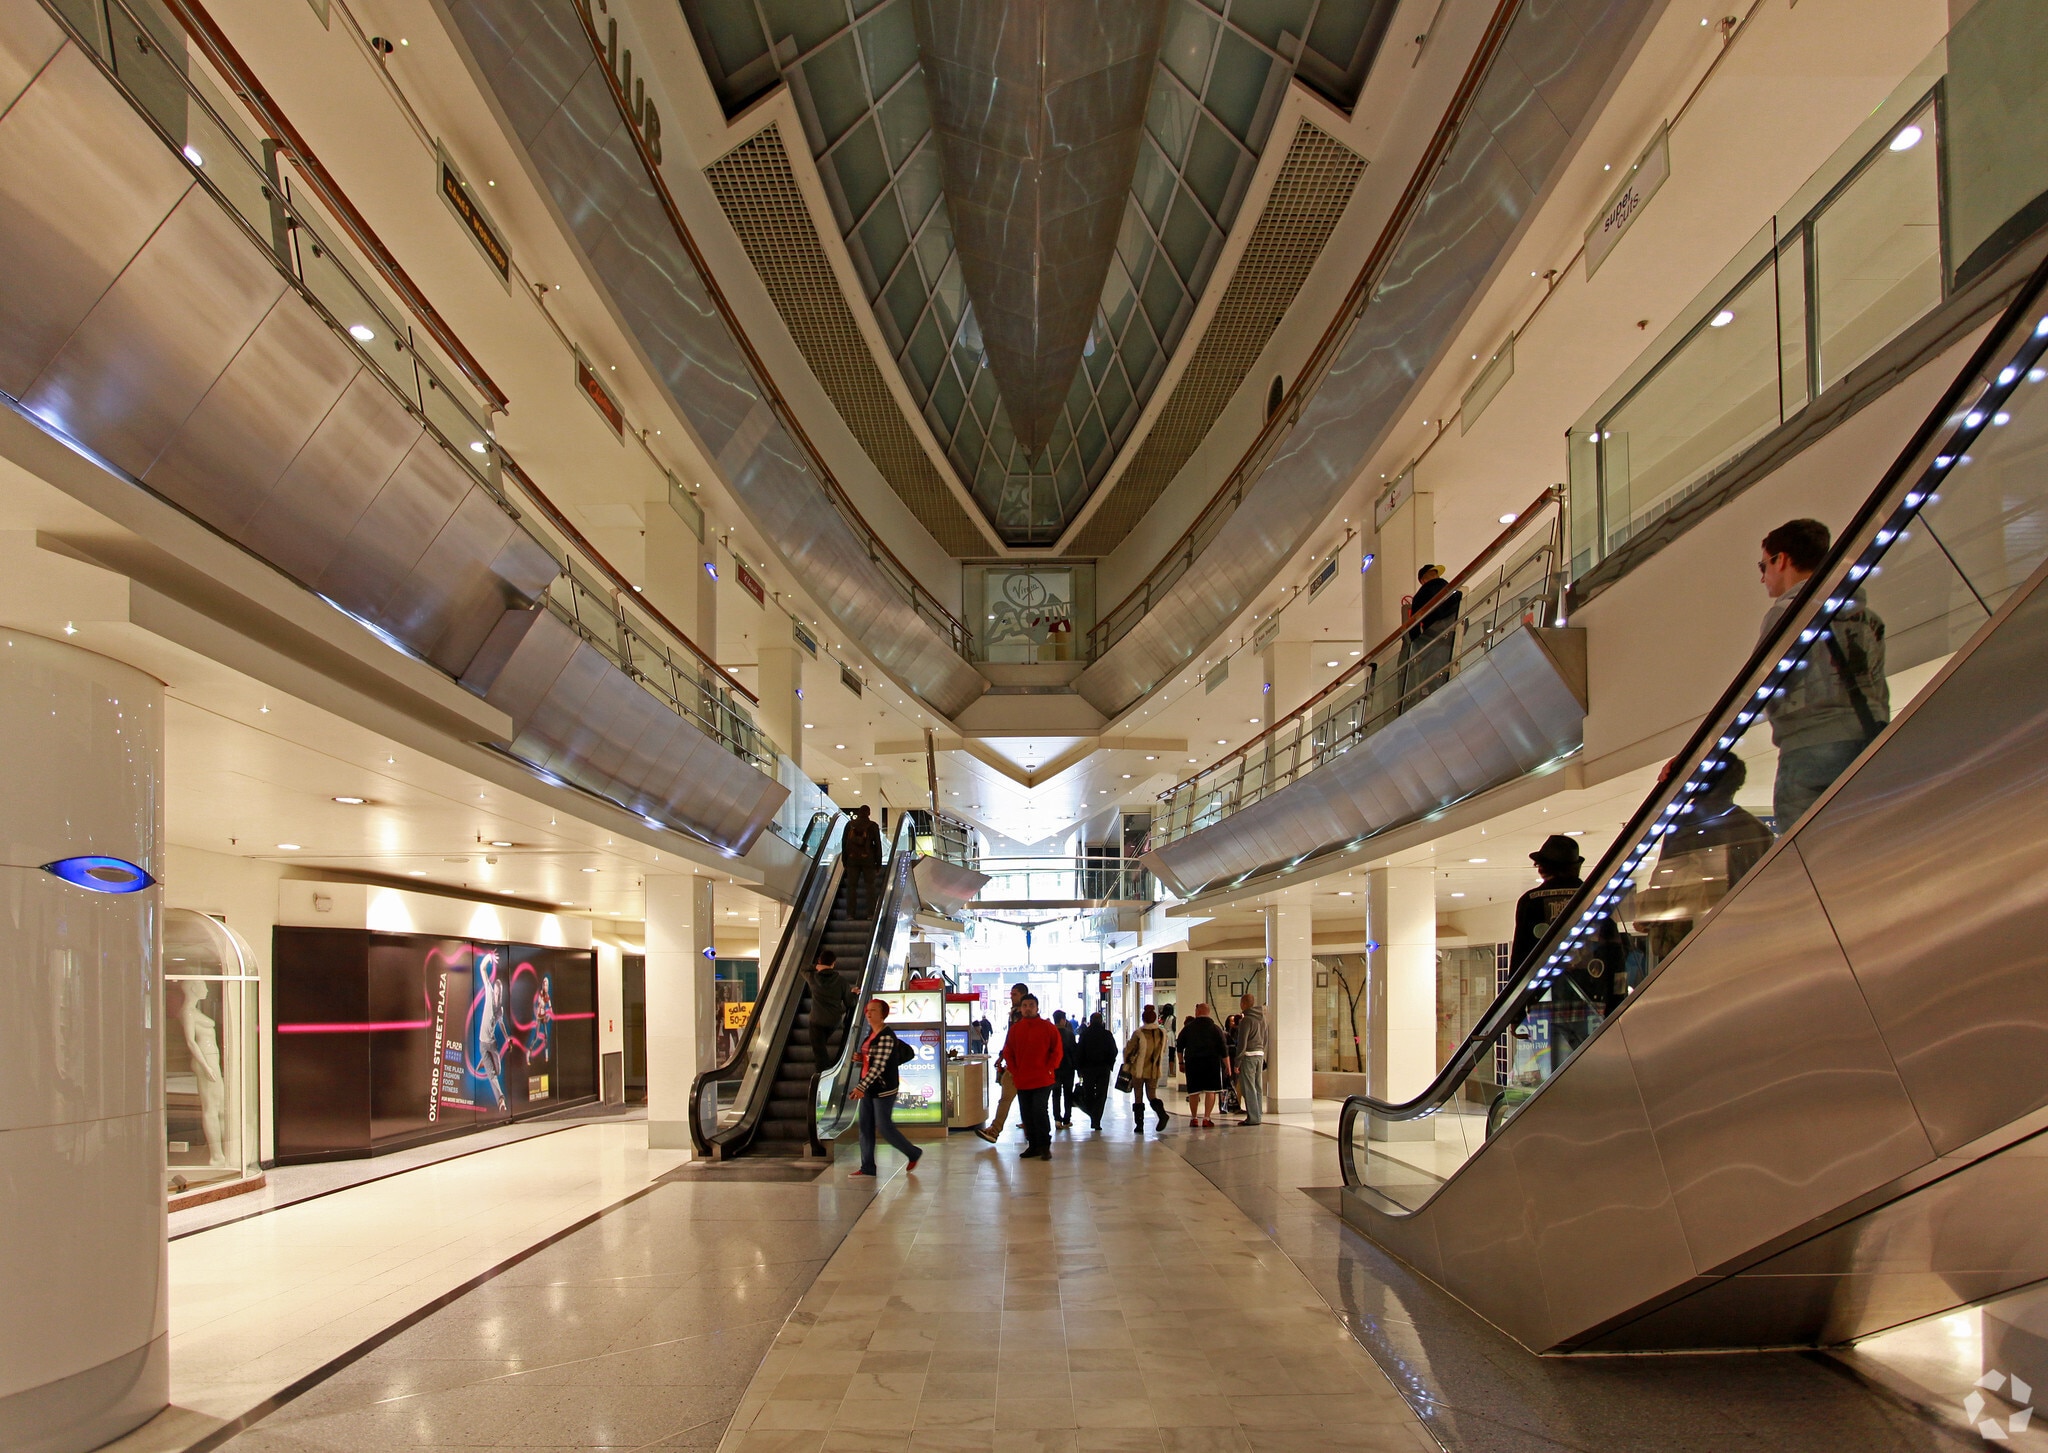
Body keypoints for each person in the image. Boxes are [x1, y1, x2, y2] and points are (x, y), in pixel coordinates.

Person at [1757, 518, 1889, 830]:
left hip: (1809, 748)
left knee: (1805, 847)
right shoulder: (1867, 617)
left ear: (1782, 559)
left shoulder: (1784, 614)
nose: (1763, 579)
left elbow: (1765, 686)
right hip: (1870, 740)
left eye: (1763, 566)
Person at [1512, 835, 1596, 1060]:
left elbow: (1521, 957)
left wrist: (1515, 1011)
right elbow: (1612, 949)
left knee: (1553, 1069)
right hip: (1593, 1001)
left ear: (1542, 868)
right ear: (1575, 867)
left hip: (1543, 1002)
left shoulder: (1530, 900)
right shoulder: (1595, 897)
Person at [848, 998, 920, 1178]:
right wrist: (860, 1058)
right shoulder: (871, 1035)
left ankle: (913, 1152)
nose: (868, 1013)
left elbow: (879, 1066)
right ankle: (867, 1167)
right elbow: (871, 1059)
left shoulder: (886, 1036)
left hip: (883, 1089)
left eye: (873, 1010)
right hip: (869, 1088)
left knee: (884, 1127)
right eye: (867, 1010)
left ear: (882, 1014)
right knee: (865, 1127)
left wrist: (860, 1087)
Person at [1003, 995, 1063, 1160]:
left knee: (1039, 1110)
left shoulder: (1048, 1028)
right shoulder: (1015, 1030)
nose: (1028, 1008)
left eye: (1031, 1005)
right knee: (1027, 1113)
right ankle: (1033, 1145)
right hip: (1023, 1079)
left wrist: (1050, 1068)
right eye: (1025, 1005)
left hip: (1043, 1079)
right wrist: (1015, 1071)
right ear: (1021, 1008)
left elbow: (1056, 1051)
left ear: (1037, 1008)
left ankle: (1044, 1145)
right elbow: (1009, 1051)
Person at [1399, 564, 1462, 708]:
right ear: (1435, 575)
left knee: (1432, 672)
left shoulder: (1421, 594)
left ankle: (1433, 699)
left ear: (1422, 580)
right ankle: (1452, 695)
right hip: (1452, 633)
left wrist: (1417, 645)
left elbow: (1414, 623)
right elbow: (1460, 607)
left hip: (1432, 637)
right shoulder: (1450, 589)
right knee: (1451, 664)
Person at [975, 982, 1029, 1144]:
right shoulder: (1015, 1014)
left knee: (1008, 1098)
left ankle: (995, 1130)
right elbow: (1010, 1038)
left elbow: (1015, 1039)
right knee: (1020, 1099)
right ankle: (1026, 1130)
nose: (1011, 997)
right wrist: (1002, 1056)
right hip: (1016, 1063)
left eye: (1014, 994)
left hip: (1020, 1065)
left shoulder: (1021, 1015)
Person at [803, 949, 853, 1081]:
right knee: (821, 1044)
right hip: (834, 1021)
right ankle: (827, 1070)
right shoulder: (841, 981)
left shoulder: (813, 978)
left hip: (817, 1020)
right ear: (834, 963)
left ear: (820, 961)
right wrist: (853, 993)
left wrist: (815, 966)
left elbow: (802, 969)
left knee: (819, 1049)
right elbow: (850, 1002)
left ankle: (823, 1076)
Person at [1177, 1004, 1230, 1126]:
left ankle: (1194, 1118)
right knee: (1210, 1091)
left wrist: (1181, 1062)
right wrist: (1228, 1066)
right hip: (1212, 1064)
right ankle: (1206, 1118)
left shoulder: (1188, 1028)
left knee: (1193, 1092)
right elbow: (1223, 1049)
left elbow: (1179, 1046)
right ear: (1208, 1013)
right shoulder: (1216, 1029)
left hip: (1192, 1063)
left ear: (1198, 1012)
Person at [1122, 1004, 1171, 1132]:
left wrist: (1127, 1064)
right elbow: (1164, 1049)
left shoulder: (1139, 1033)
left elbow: (1129, 1050)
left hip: (1139, 1069)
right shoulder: (1162, 1033)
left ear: (1143, 1019)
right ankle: (1162, 1115)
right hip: (1154, 1069)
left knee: (1138, 1096)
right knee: (1152, 1095)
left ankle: (1139, 1125)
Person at [840, 804, 885, 918]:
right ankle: (871, 913)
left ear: (858, 813)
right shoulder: (873, 826)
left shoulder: (850, 825)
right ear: (868, 813)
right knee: (870, 886)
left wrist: (845, 860)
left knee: (851, 887)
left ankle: (850, 914)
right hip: (868, 860)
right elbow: (878, 845)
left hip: (852, 860)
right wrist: (878, 863)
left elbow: (844, 843)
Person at [1075, 1011, 1118, 1130]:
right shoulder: (1107, 1034)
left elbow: (1079, 1052)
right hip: (1103, 1068)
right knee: (1101, 1094)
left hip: (1088, 1069)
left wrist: (1079, 1068)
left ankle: (1092, 1114)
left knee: (1088, 1093)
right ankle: (1097, 1119)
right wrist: (1110, 1064)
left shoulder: (1085, 1034)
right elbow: (1113, 1050)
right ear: (1102, 1021)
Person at [1230, 993, 1268, 1126]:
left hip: (1249, 1056)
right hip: (1259, 1055)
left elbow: (1242, 1042)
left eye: (1241, 1002)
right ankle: (1258, 1114)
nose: (1240, 1005)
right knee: (1258, 1086)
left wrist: (1237, 1061)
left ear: (1245, 1004)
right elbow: (1265, 1037)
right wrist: (1262, 1051)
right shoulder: (1261, 1019)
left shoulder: (1246, 1020)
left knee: (1248, 1087)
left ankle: (1252, 1117)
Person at [1051, 1009, 1079, 1128]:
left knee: (1056, 1094)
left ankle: (1057, 1119)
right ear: (1062, 1020)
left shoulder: (1050, 1033)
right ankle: (1067, 1119)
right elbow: (1074, 1052)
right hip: (1068, 1068)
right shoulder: (1070, 1035)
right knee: (1068, 1094)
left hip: (1054, 1068)